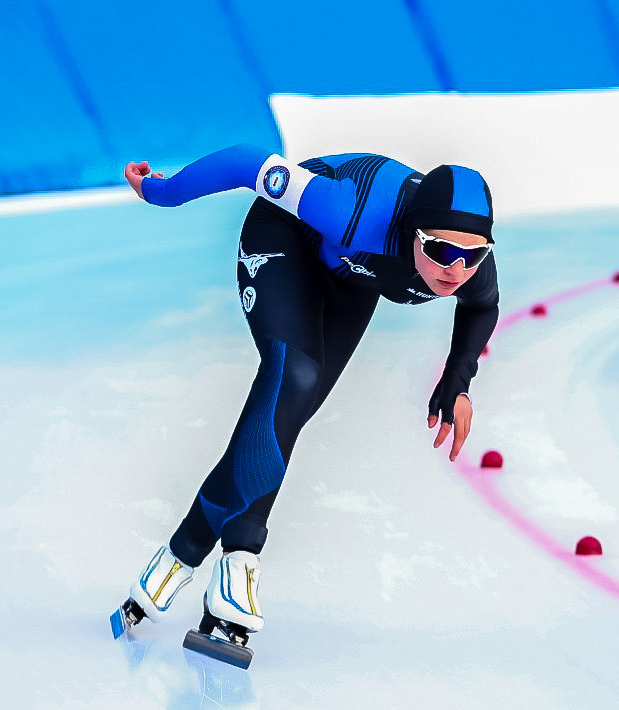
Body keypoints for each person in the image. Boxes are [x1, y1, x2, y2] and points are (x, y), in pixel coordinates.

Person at [117, 144, 498, 639]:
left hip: (350, 277)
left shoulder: (468, 264)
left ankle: (176, 558)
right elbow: (247, 165)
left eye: (473, 255)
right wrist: (161, 192)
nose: (456, 269)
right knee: (294, 377)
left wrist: (457, 381)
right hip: (285, 234)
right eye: (441, 251)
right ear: (412, 231)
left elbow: (482, 306)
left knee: (284, 413)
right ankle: (240, 559)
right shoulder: (350, 210)